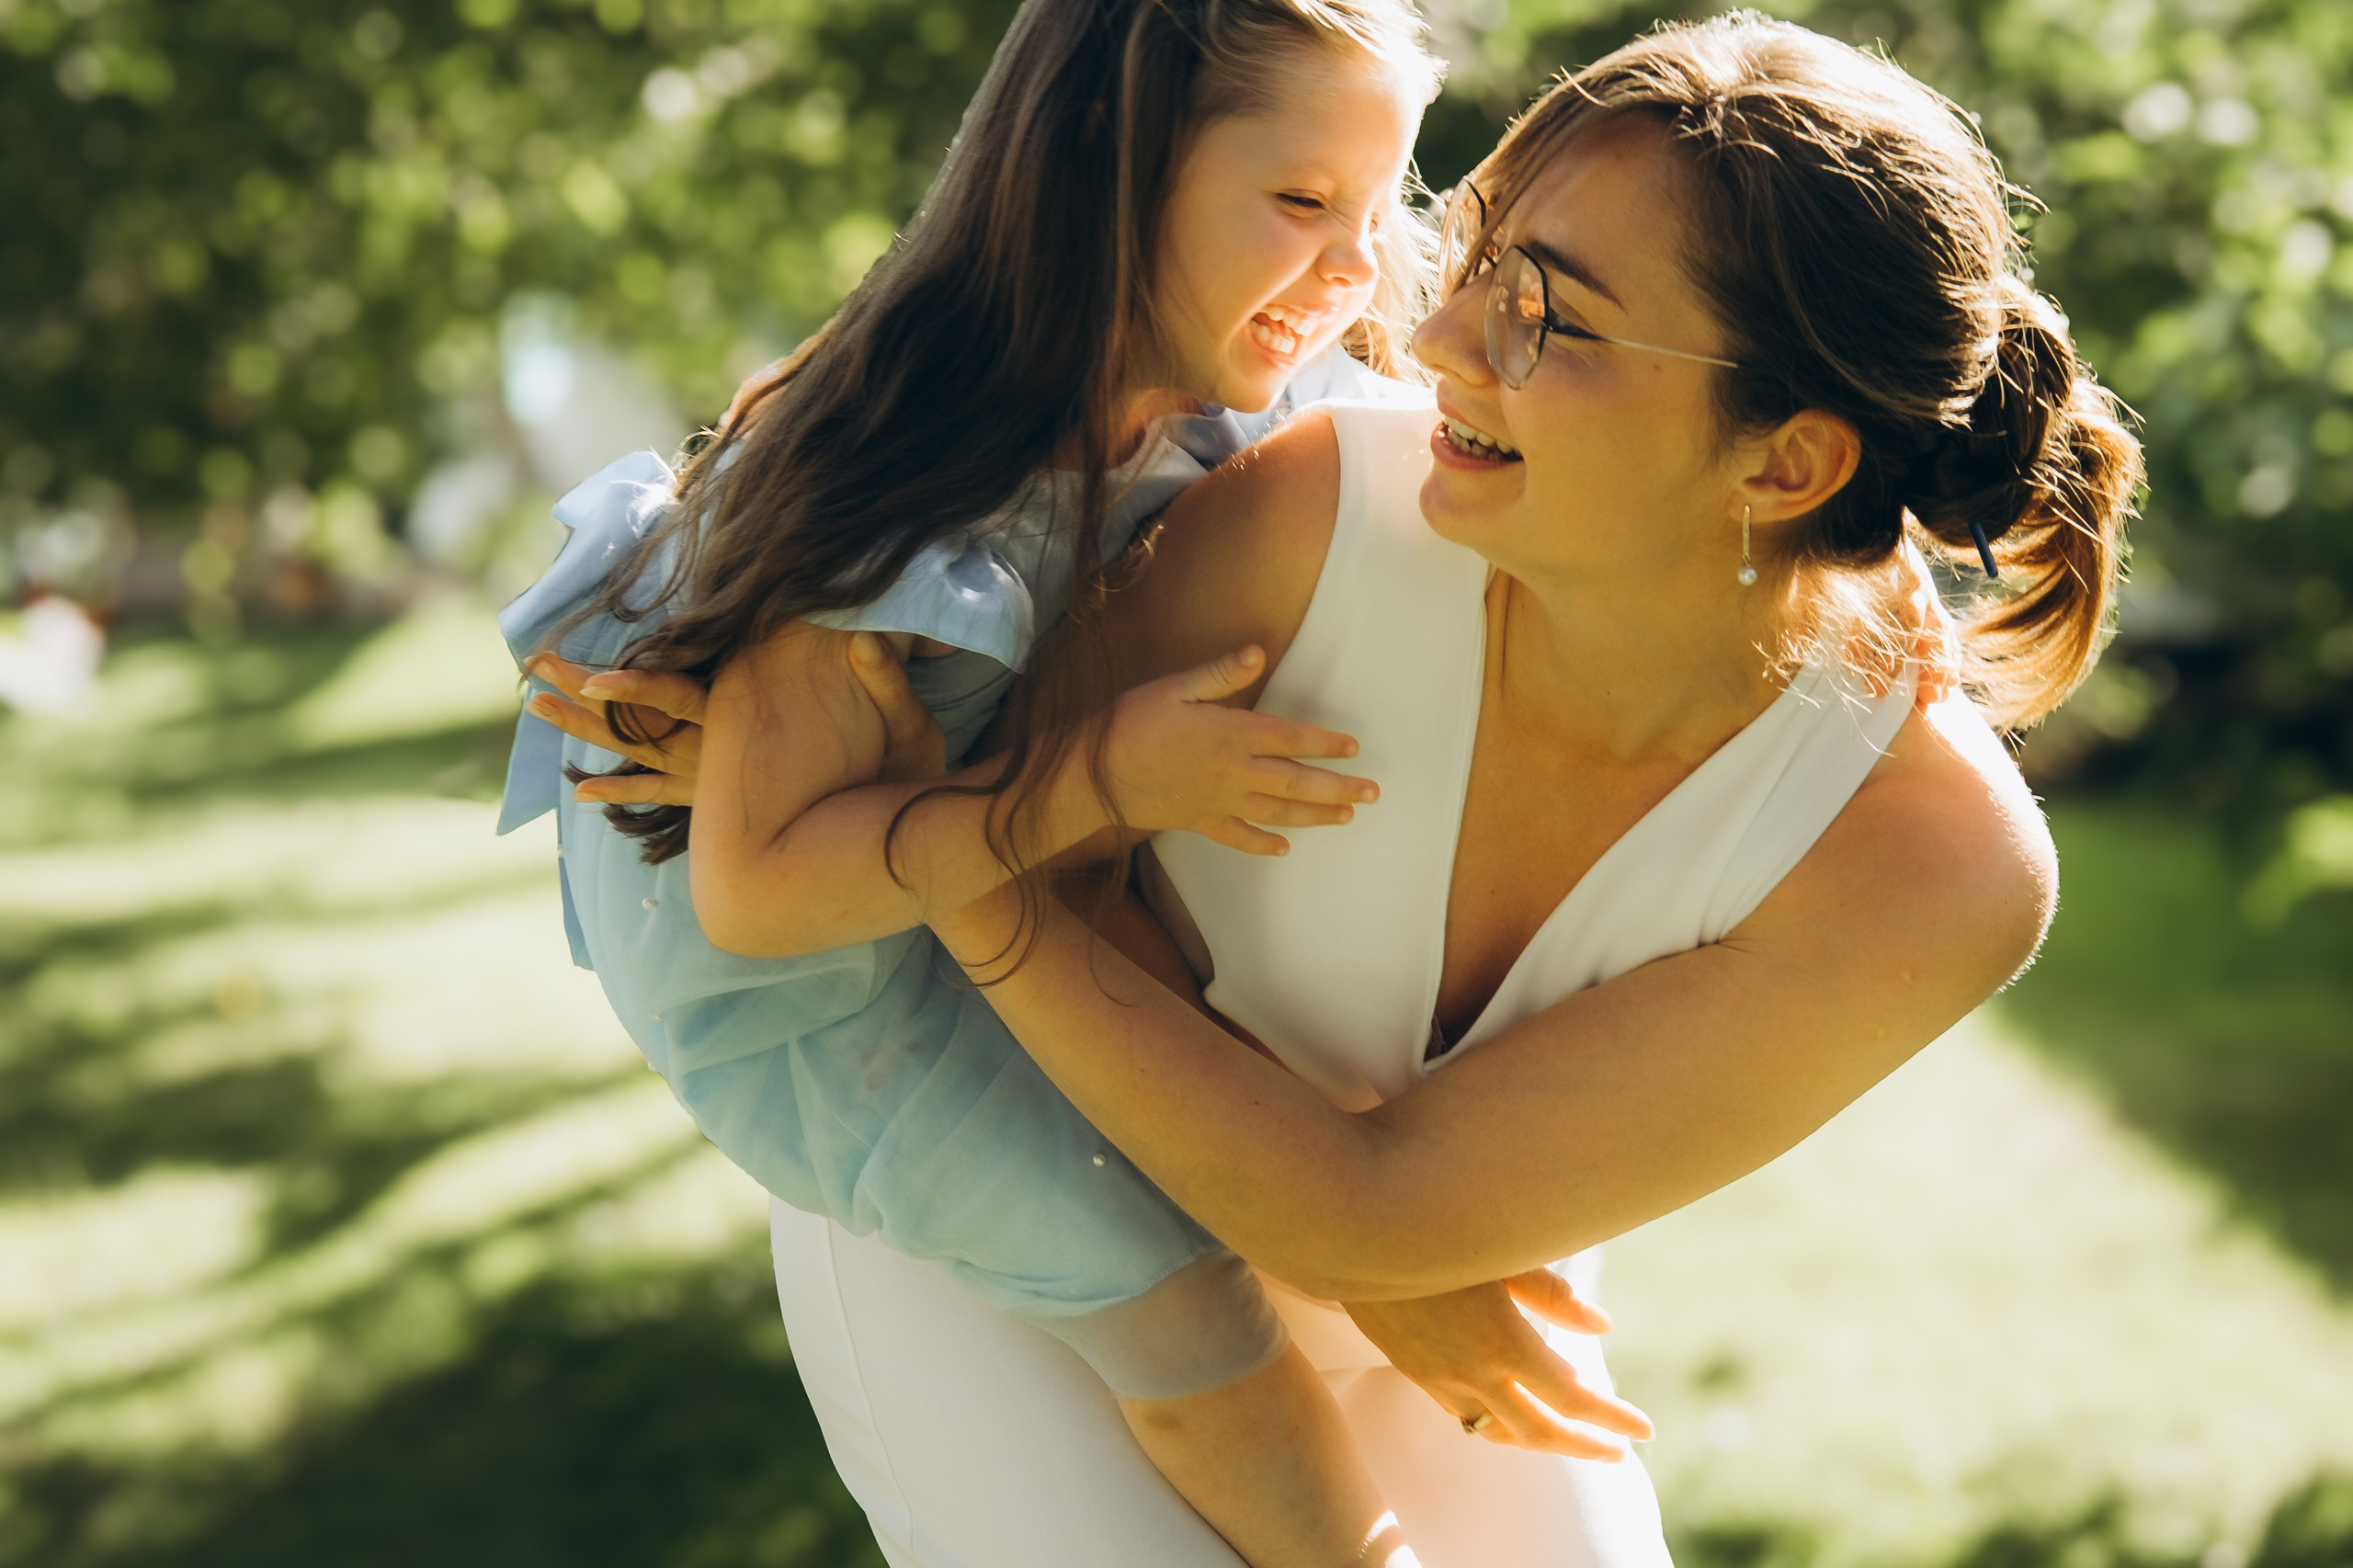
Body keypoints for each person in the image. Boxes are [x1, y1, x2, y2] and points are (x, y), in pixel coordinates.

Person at [557, 13, 2142, 1563]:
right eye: (1481, 263)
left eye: (1551, 317)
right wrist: (821, 758)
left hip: (1442, 1311)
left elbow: (1367, 1193)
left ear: (1788, 468)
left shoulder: (1927, 863)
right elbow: (908, 786)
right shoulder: (1318, 511)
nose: (1435, 340)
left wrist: (957, 840)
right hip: (1006, 1209)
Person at [497, 0, 1662, 1562]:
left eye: (1380, 208)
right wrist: (1086, 783)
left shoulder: (1228, 400)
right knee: (1171, 1286)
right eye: (1304, 202)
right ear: (1107, 169)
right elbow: (762, 886)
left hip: (995, 916)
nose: (1352, 263)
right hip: (843, 1009)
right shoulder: (901, 484)